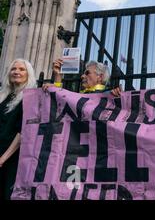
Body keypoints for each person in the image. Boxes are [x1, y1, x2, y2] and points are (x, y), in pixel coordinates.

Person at [0, 59, 36, 200]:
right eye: (13, 68)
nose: (16, 72)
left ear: (29, 74)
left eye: (22, 69)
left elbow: (23, 132)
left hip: (12, 158)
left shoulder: (30, 97)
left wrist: (3, 158)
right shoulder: (3, 95)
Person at [43, 59, 112, 94]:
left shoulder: (109, 97)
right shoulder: (79, 95)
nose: (82, 76)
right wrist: (58, 76)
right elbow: (59, 103)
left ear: (99, 77)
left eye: (87, 73)